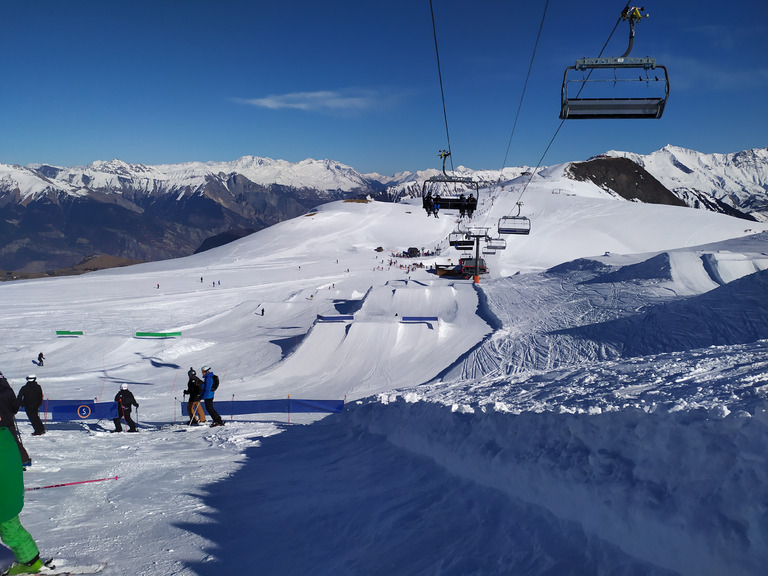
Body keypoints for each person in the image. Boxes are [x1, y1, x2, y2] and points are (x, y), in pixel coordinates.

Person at [1, 376, 43, 574]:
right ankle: (31, 560)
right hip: (8, 495)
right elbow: (16, 404)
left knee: (11, 531)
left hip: (4, 498)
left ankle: (31, 563)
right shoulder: (6, 437)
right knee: (12, 529)